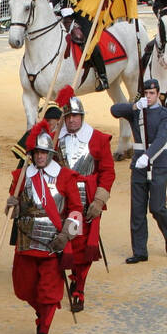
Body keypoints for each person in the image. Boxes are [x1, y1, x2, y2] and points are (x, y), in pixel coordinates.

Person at [5, 131, 83, 334]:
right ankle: (42, 314)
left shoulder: (65, 177)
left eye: (43, 152)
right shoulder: (21, 176)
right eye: (36, 153)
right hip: (26, 243)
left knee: (48, 293)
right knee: (25, 289)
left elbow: (76, 210)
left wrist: (66, 235)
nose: (39, 157)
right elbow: (14, 211)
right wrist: (12, 205)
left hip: (52, 245)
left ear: (50, 153)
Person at [56, 93, 116, 311]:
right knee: (65, 242)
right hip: (62, 199)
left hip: (86, 199)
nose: (72, 120)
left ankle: (79, 286)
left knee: (83, 248)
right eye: (68, 116)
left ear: (82, 117)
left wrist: (99, 200)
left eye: (76, 116)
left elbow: (107, 172)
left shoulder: (98, 139)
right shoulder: (54, 139)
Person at [111, 80, 167, 263]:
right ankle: (140, 251)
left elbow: (162, 138)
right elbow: (115, 110)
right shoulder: (137, 111)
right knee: (137, 211)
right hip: (139, 167)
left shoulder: (166, 115)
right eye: (146, 93)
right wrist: (134, 106)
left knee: (156, 207)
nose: (148, 97)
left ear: (158, 94)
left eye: (152, 93)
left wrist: (147, 156)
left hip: (157, 163)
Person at [52, 0, 107, 87]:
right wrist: (51, 3)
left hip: (83, 14)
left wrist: (74, 10)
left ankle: (102, 75)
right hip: (64, 12)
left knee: (88, 41)